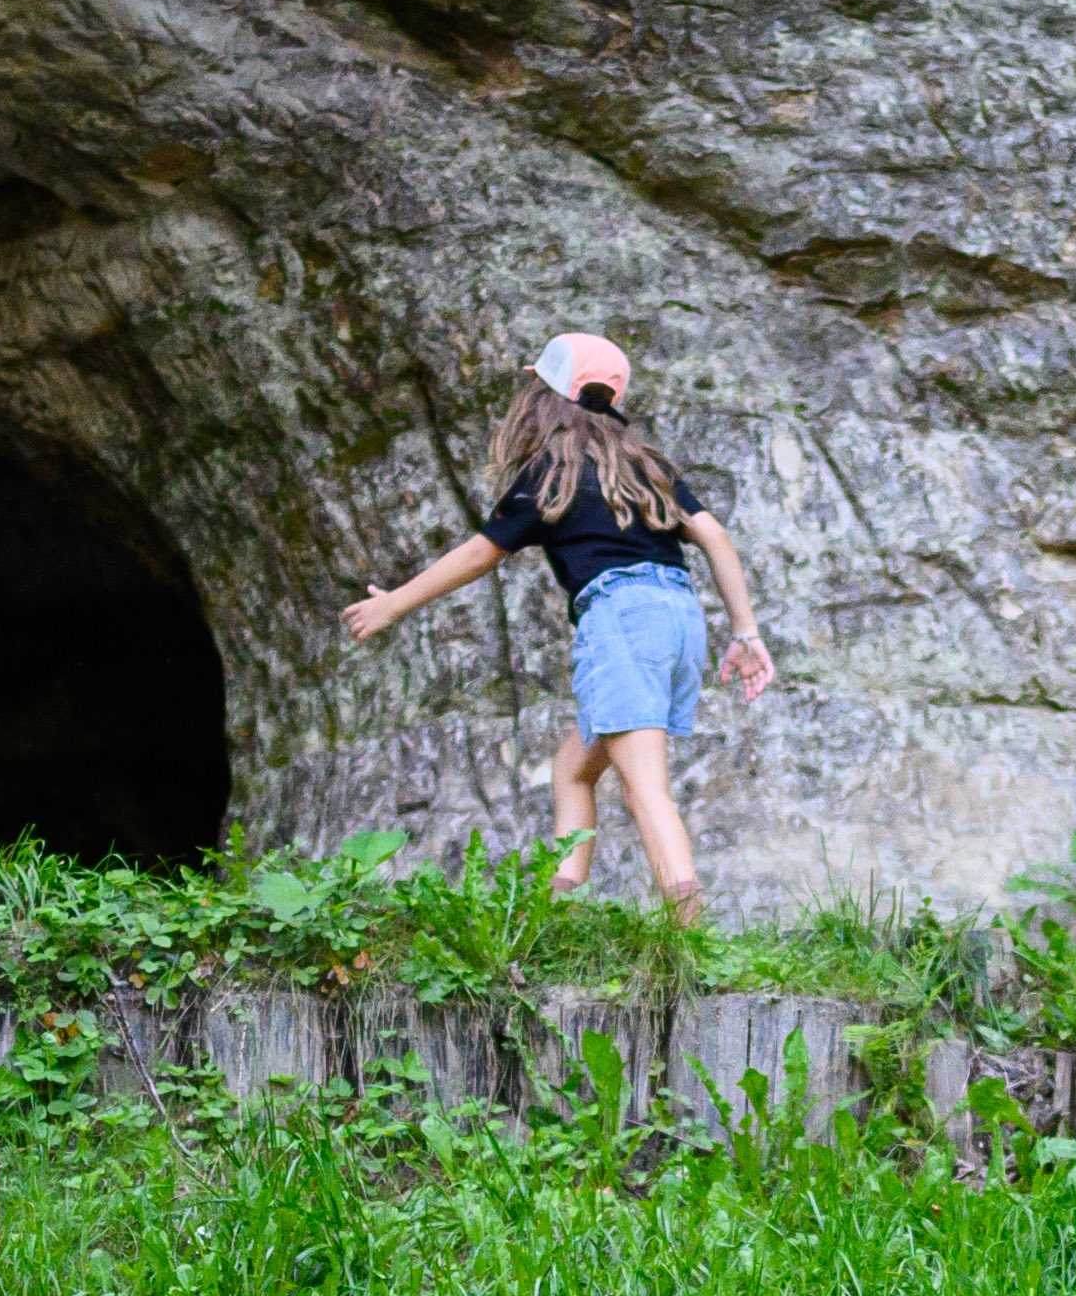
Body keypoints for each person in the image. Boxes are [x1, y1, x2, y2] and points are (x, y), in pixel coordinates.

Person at [332, 332, 781, 924]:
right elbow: (715, 535)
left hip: (621, 617)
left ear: (546, 401)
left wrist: (394, 604)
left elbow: (481, 553)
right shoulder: (646, 467)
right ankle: (558, 910)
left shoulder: (551, 471)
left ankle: (689, 932)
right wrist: (745, 632)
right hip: (677, 614)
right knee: (574, 770)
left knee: (644, 786)